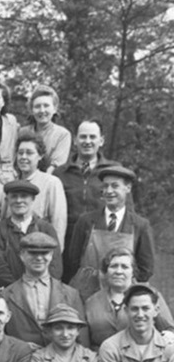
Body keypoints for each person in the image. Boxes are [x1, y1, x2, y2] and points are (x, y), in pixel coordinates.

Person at [64, 165, 153, 299]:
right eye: (105, 186)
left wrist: (123, 281)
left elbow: (146, 268)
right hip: (87, 293)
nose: (109, 191)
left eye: (115, 186)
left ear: (127, 188)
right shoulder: (86, 221)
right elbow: (73, 260)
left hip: (124, 295)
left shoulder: (140, 225)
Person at [3, 232, 86, 347]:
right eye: (32, 253)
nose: (38, 258)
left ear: (51, 255)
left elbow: (82, 337)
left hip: (61, 361)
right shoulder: (6, 295)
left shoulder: (71, 294)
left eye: (44, 253)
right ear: (22, 255)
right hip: (21, 361)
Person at [85, 248, 174, 349]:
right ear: (106, 271)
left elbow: (169, 330)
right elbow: (85, 341)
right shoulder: (91, 302)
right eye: (113, 266)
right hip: (102, 360)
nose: (118, 271)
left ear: (133, 272)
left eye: (124, 267)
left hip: (141, 359)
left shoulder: (149, 294)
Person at [0, 179, 62, 290]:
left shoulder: (45, 229)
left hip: (42, 290)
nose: (19, 201)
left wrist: (41, 286)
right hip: (9, 292)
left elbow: (55, 264)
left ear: (33, 199)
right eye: (14, 196)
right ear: (7, 200)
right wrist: (17, 289)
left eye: (24, 196)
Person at [55, 119, 119, 244]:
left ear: (101, 141)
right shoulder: (60, 174)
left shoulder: (114, 171)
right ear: (75, 140)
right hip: (69, 241)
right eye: (83, 137)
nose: (87, 141)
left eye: (92, 137)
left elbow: (126, 211)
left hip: (103, 240)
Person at [10, 131, 68, 247]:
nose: (24, 157)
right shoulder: (11, 184)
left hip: (39, 249)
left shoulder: (51, 183)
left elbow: (58, 222)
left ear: (40, 156)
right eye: (20, 153)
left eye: (29, 153)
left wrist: (55, 253)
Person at [19, 85, 71, 175]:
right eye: (37, 106)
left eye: (46, 106)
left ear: (54, 109)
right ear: (31, 110)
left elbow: (56, 165)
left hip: (49, 180)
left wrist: (42, 182)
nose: (42, 110)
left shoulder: (62, 134)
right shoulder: (22, 132)